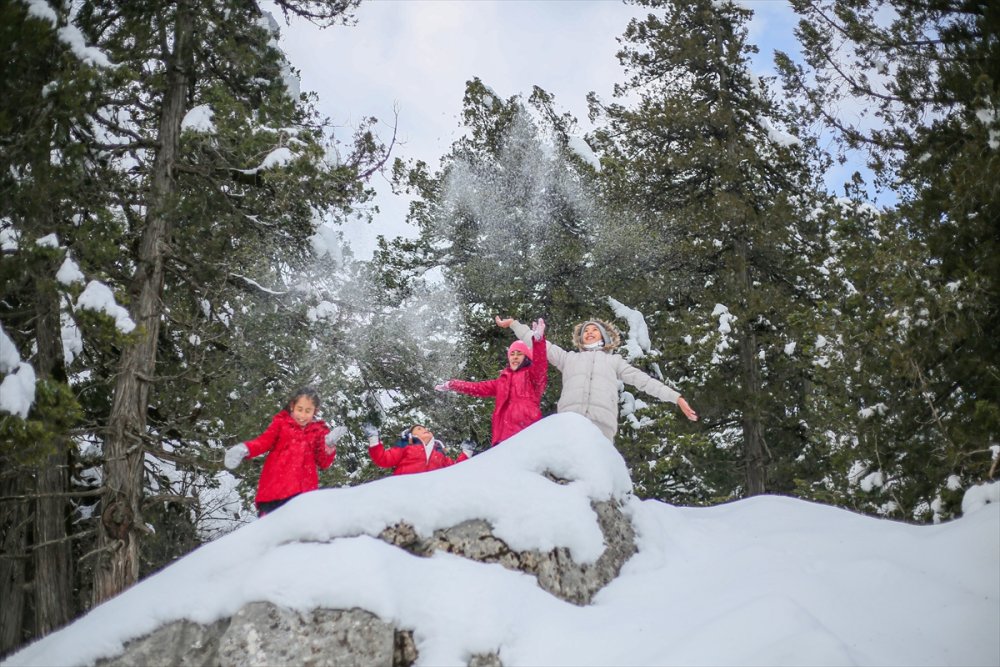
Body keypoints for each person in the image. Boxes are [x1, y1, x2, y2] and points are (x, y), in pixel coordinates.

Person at [499, 316, 698, 441]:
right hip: (571, 422)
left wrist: (676, 398)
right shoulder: (569, 359)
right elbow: (543, 346)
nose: (589, 333)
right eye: (586, 331)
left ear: (603, 338)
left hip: (601, 426)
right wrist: (515, 325)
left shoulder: (614, 362)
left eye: (594, 330)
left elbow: (643, 381)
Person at [224, 387, 346, 516]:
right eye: (300, 409)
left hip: (303, 494)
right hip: (275, 491)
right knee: (271, 531)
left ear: (314, 411)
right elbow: (263, 442)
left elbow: (323, 463)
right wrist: (245, 449)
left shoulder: (319, 432)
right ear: (292, 406)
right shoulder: (281, 424)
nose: (303, 415)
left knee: (298, 531)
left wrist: (328, 444)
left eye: (308, 411)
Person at [434, 317, 548, 446]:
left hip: (526, 432)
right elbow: (477, 387)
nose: (515, 357)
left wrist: (538, 341)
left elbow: (540, 366)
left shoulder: (532, 377)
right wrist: (453, 384)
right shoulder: (502, 381)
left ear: (526, 357)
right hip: (502, 438)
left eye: (519, 354)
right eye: (512, 354)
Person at [363, 423, 472, 476]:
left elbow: (456, 467)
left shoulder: (439, 452)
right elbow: (383, 459)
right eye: (419, 429)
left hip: (431, 493)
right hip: (403, 490)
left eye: (425, 429)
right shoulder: (405, 446)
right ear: (411, 435)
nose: (425, 430)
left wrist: (467, 452)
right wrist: (373, 439)